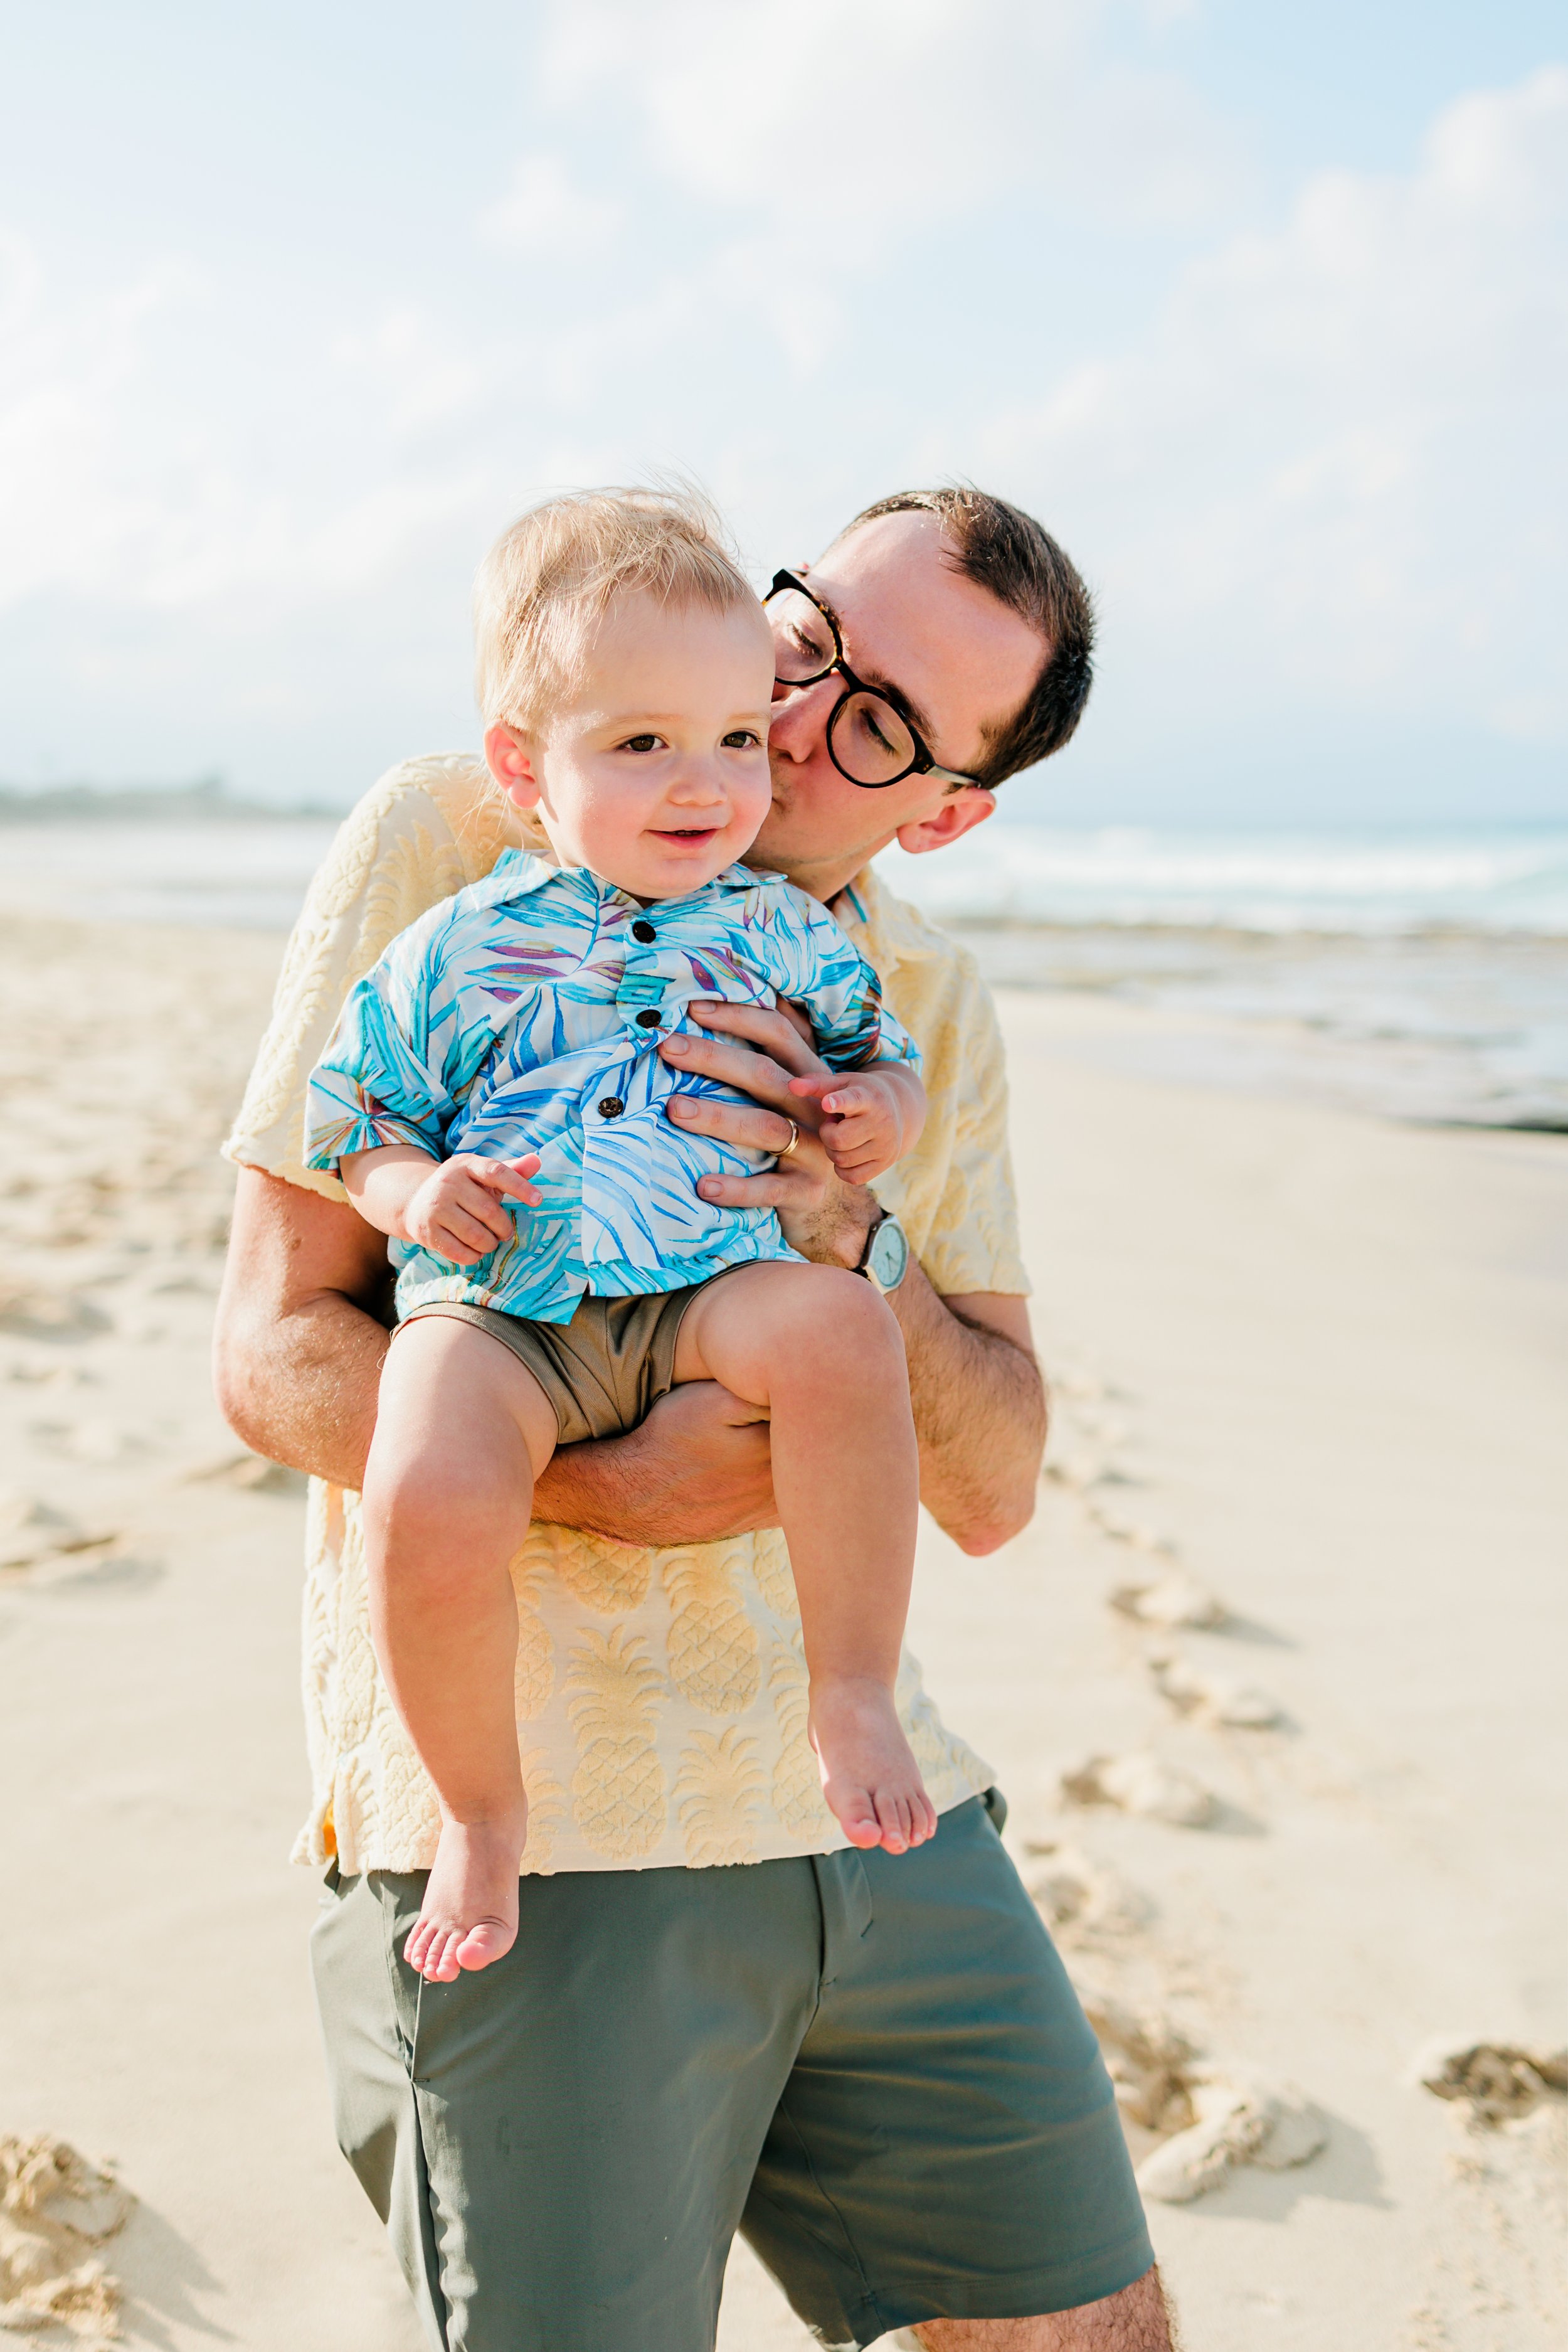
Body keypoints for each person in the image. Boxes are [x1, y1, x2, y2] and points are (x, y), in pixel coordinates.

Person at [215, 486, 1178, 2350]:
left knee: (1096, 2328)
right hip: (553, 1837)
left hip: (879, 1816)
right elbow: (271, 1350)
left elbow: (993, 1481)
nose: (802, 713)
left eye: (882, 720)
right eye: (805, 631)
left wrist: (849, 1228)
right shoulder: (460, 831)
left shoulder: (916, 1004)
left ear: (948, 810)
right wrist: (602, 1488)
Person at [305, 489, 937, 1984]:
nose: (706, 781)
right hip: (503, 1304)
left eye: (731, 735)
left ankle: (849, 1688)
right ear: (526, 769)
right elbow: (354, 1121)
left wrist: (876, 1113)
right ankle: (480, 1810)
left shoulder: (783, 928)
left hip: (704, 1286)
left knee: (845, 1330)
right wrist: (410, 1197)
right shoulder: (456, 944)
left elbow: (877, 1051)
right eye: (641, 742)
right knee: (426, 1478)